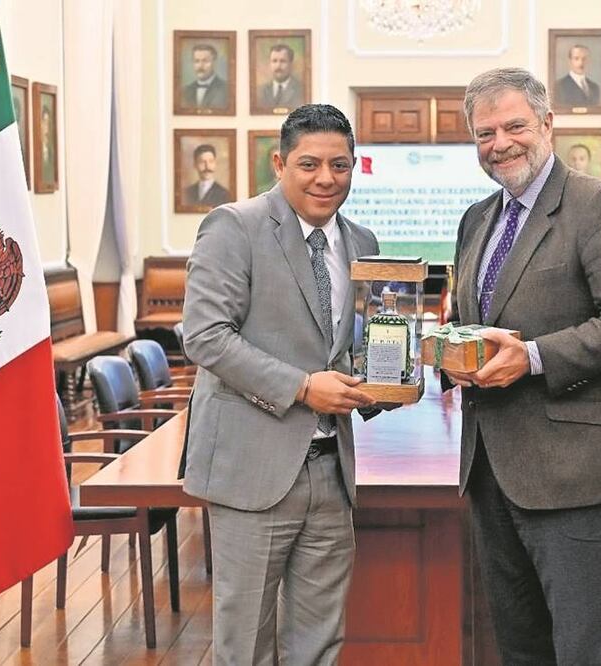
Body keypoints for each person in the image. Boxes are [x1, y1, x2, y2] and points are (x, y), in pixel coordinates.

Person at [446, 67, 601, 664]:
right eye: (484, 133)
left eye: (514, 126)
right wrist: (454, 356)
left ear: (547, 123)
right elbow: (477, 320)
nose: (500, 144)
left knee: (587, 650)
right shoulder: (477, 218)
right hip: (491, 471)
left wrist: (534, 358)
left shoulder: (600, 206)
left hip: (576, 474)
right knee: (521, 649)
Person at [181, 104, 378, 665]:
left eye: (339, 165)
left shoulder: (362, 242)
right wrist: (302, 387)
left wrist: (385, 382)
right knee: (245, 643)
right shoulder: (234, 226)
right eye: (309, 164)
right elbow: (206, 337)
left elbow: (356, 343)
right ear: (279, 163)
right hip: (253, 470)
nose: (325, 179)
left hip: (332, 472)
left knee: (319, 643)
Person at [180, 43, 228, 111]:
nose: (200, 66)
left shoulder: (226, 89)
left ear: (214, 62)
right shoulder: (185, 91)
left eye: (205, 61)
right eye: (196, 61)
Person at [182, 144, 231, 208]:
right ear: (195, 164)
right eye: (202, 162)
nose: (207, 166)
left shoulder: (224, 194)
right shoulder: (186, 193)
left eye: (211, 161)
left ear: (215, 164)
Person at [257, 44, 304, 110]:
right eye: (274, 61)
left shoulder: (301, 89)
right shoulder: (261, 90)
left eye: (283, 61)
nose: (278, 66)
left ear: (291, 64)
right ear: (270, 64)